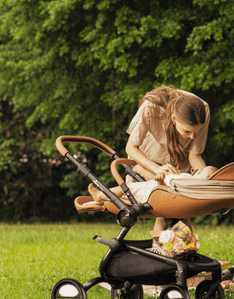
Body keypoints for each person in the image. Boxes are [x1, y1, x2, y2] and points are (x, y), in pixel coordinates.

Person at [125, 85, 210, 230]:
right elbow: (131, 148)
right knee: (165, 209)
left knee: (182, 211)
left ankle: (183, 249)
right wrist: (156, 168)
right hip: (148, 159)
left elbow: (194, 155)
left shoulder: (203, 110)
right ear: (174, 118)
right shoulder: (151, 108)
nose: (192, 137)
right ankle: (162, 248)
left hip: (177, 163)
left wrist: (206, 179)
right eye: (187, 131)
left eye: (196, 132)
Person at [87, 166, 218, 206]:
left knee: (126, 188)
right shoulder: (188, 179)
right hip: (152, 189)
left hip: (155, 192)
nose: (198, 170)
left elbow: (168, 193)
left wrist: (161, 181)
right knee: (130, 196)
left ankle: (100, 195)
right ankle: (111, 199)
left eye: (202, 172)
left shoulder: (189, 183)